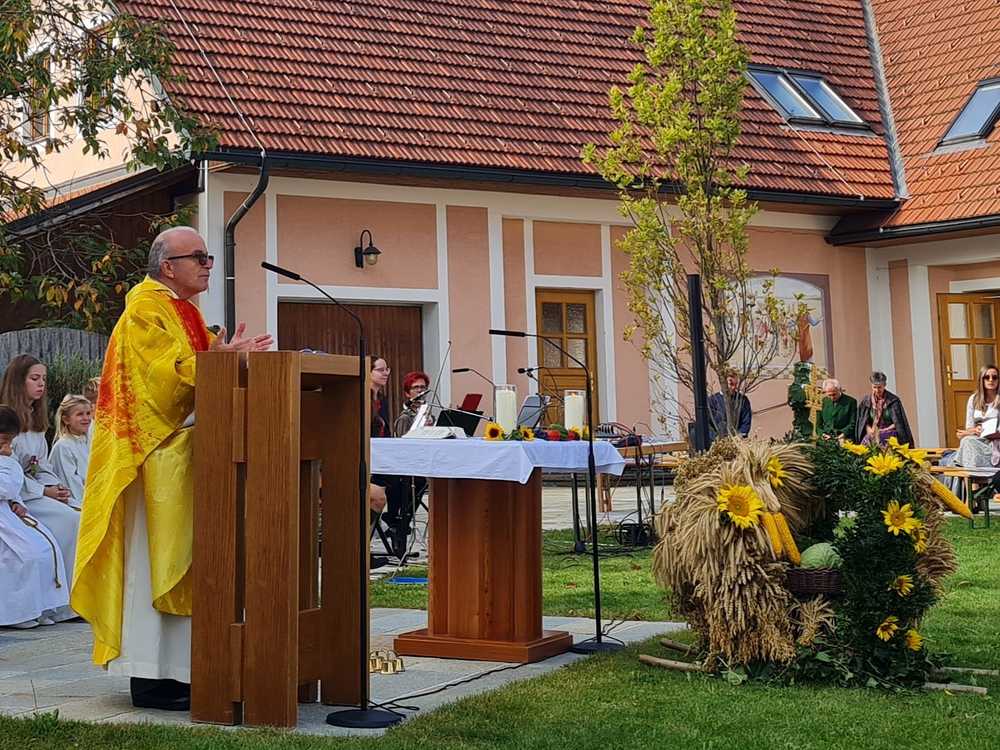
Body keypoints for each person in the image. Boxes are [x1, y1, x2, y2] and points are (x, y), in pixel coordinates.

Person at [70, 226, 272, 711]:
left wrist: (228, 362)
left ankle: (186, 670)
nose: (208, 264)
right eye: (198, 257)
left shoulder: (184, 310)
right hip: (153, 461)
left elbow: (197, 370)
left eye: (208, 256)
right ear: (167, 266)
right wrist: (217, 362)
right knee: (150, 564)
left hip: (188, 457)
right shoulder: (145, 309)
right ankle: (151, 677)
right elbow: (159, 383)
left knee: (187, 564)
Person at [0, 354, 79, 611]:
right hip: (20, 496)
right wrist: (44, 491)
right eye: (35, 378)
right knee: (69, 521)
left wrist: (56, 487)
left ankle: (73, 599)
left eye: (44, 378)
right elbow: (9, 468)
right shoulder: (7, 420)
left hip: (36, 491)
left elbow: (40, 464)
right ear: (18, 381)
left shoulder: (36, 420)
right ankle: (58, 602)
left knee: (79, 512)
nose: (41, 384)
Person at [1, 405, 70, 630]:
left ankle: (42, 606)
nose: (7, 448)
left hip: (8, 513)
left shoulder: (7, 459)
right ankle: (16, 612)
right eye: (3, 441)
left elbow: (12, 488)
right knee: (24, 555)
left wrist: (16, 502)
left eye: (9, 442)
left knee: (45, 549)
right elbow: (6, 486)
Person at [50, 395, 93, 509]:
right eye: (80, 414)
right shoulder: (63, 447)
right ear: (66, 420)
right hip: (76, 504)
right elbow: (72, 486)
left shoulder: (89, 442)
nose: (86, 418)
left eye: (88, 413)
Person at [954, 365, 1000, 468]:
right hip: (979, 439)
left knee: (967, 442)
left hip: (996, 442)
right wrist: (973, 431)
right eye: (987, 377)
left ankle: (973, 476)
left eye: (995, 377)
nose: (991, 380)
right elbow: (969, 426)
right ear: (981, 380)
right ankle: (971, 476)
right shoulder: (974, 399)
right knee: (967, 441)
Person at [857, 371, 914, 447]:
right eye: (874, 387)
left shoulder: (893, 401)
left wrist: (884, 430)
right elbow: (864, 421)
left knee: (882, 438)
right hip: (872, 432)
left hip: (890, 432)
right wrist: (869, 429)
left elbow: (898, 423)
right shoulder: (866, 401)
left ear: (884, 385)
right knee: (866, 443)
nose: (877, 390)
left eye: (879, 387)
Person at [707, 369, 752, 442]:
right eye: (731, 384)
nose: (734, 388)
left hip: (738, 442)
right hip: (717, 442)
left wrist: (739, 437)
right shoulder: (712, 401)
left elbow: (746, 422)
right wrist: (716, 438)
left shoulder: (743, 400)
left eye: (735, 384)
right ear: (723, 383)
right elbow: (707, 424)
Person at [394, 370, 433, 436]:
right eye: (415, 387)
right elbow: (402, 441)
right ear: (407, 393)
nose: (420, 390)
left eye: (422, 387)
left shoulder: (430, 417)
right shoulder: (405, 419)